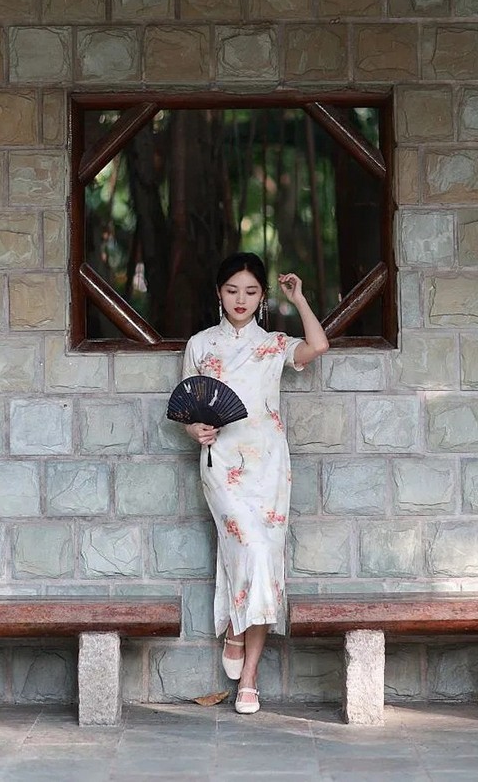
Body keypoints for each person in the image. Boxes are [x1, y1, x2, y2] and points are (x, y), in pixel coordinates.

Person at [182, 252, 329, 714]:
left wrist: (299, 299)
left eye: (250, 291)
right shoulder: (200, 345)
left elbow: (318, 345)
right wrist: (195, 430)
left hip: (269, 465)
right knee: (250, 548)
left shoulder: (274, 344)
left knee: (265, 556)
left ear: (262, 296)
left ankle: (249, 674)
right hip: (221, 464)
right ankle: (234, 628)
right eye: (232, 290)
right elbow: (187, 407)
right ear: (219, 294)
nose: (240, 299)